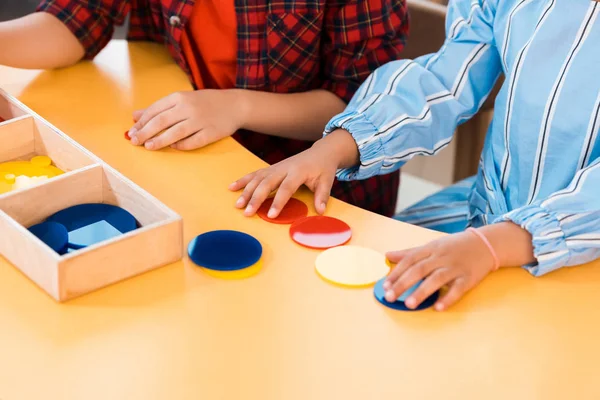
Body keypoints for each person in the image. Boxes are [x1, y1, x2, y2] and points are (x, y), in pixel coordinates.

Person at [231, 0, 600, 310]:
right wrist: (334, 148)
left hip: (577, 254)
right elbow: (442, 80)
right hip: (480, 217)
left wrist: (492, 245)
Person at [0, 0, 408, 216]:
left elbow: (362, 109)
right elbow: (77, 19)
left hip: (322, 187)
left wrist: (236, 105)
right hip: (195, 168)